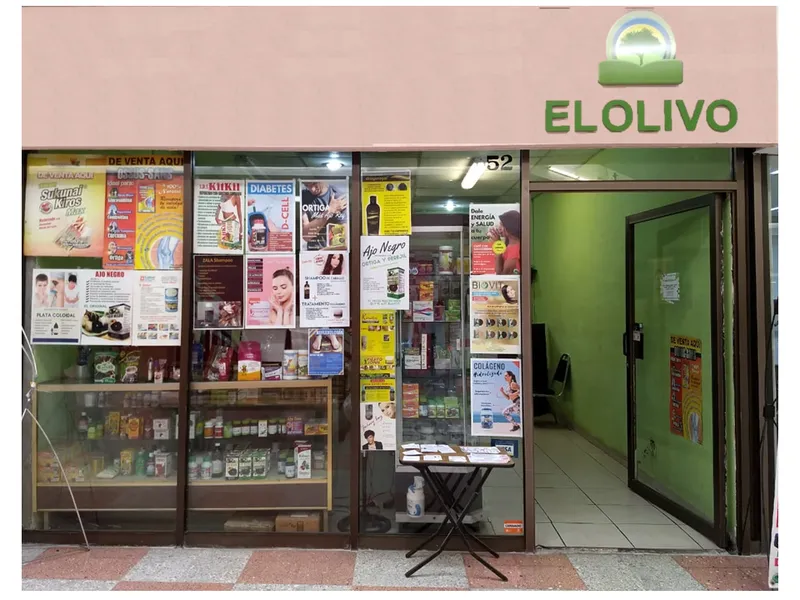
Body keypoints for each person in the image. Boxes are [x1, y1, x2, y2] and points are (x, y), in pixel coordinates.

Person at [301, 181, 348, 250]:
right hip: (313, 252)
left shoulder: (337, 196)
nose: (312, 189)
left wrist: (323, 252)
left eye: (314, 183)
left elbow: (343, 242)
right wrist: (330, 211)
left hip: (332, 253)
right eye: (307, 185)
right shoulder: (304, 196)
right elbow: (306, 235)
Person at [488, 209, 521, 275]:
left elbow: (501, 275)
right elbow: (498, 270)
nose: (499, 228)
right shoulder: (509, 246)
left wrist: (497, 244)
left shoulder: (515, 253)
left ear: (509, 227)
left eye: (502, 225)